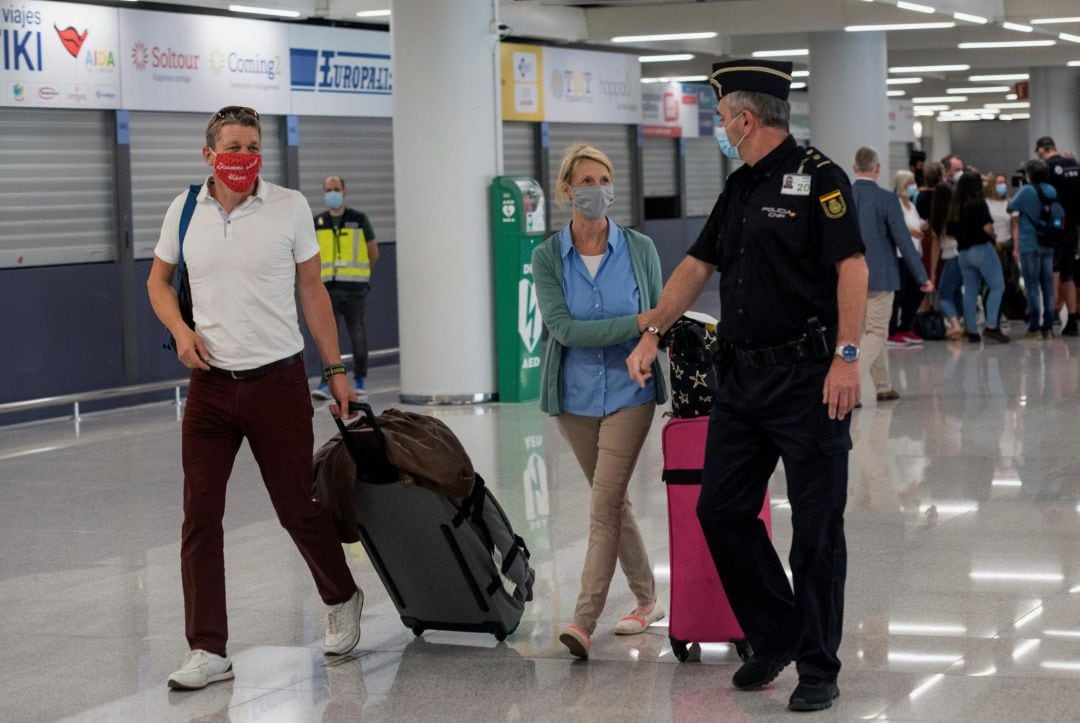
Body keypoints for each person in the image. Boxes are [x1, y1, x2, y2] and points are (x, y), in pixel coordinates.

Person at [627, 59, 867, 713]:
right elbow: (694, 267)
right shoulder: (738, 189)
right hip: (742, 381)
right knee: (720, 509)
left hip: (809, 380)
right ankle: (777, 631)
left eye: (724, 112)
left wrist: (848, 356)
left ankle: (818, 664)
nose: (722, 123)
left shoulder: (821, 179)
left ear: (746, 117)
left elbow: (852, 266)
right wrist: (652, 330)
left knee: (816, 528)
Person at [146, 106, 363, 691]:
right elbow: (157, 282)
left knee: (296, 505)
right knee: (200, 517)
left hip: (278, 382)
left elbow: (312, 290)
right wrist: (182, 333)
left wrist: (336, 369)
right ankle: (207, 648)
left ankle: (342, 595)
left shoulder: (289, 206)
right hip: (211, 389)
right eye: (232, 146)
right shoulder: (185, 208)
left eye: (252, 145)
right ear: (208, 154)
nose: (243, 155)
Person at [531, 143, 669, 661]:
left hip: (632, 392)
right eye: (586, 181)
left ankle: (583, 620)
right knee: (613, 501)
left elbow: (659, 318)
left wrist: (646, 328)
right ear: (567, 189)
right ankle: (648, 599)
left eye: (604, 178)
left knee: (603, 504)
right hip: (574, 397)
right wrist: (635, 323)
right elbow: (563, 330)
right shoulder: (547, 256)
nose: (597, 189)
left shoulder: (639, 249)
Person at [852, 150, 932, 402]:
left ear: (855, 168)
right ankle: (850, 385)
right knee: (876, 333)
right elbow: (904, 242)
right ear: (877, 168)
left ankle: (883, 385)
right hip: (881, 275)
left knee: (864, 332)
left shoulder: (842, 197)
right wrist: (922, 277)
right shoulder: (887, 200)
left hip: (849, 276)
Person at [312, 176, 379, 398]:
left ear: (344, 191)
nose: (332, 193)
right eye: (328, 190)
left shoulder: (358, 219)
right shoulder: (318, 222)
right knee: (327, 339)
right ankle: (326, 383)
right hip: (327, 289)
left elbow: (373, 253)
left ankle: (360, 378)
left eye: (336, 189)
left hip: (354, 290)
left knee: (357, 335)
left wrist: (362, 276)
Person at [946, 171, 1009, 344]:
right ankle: (991, 327)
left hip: (964, 254)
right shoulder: (979, 203)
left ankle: (972, 331)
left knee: (970, 293)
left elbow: (950, 233)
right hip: (982, 249)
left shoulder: (955, 206)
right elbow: (988, 227)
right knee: (997, 286)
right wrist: (995, 238)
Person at [1034, 136, 1080, 335]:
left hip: (1052, 229)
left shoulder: (1045, 168)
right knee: (1068, 275)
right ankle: (1071, 320)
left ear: (1041, 150)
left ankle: (1051, 318)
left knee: (1052, 274)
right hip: (1072, 228)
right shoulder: (1074, 166)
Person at [1010, 160, 1059, 339]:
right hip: (1048, 242)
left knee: (1032, 285)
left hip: (1029, 243)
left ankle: (1034, 327)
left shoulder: (1027, 190)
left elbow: (1012, 207)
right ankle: (1048, 326)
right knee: (1047, 285)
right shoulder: (1051, 190)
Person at [887, 170, 932, 347]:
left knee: (917, 291)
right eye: (910, 182)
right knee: (899, 295)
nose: (914, 186)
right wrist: (909, 231)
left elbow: (917, 224)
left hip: (914, 255)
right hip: (899, 256)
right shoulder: (894, 204)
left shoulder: (911, 205)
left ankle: (906, 326)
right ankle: (892, 332)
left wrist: (924, 226)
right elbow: (894, 228)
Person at [928, 165, 965, 339]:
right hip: (964, 254)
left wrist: (934, 273)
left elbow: (936, 246)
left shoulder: (937, 219)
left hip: (951, 256)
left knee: (944, 294)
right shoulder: (957, 213)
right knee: (956, 291)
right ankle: (964, 322)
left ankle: (955, 325)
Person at [986, 171, 1025, 327]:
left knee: (1010, 281)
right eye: (998, 183)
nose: (1001, 186)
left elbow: (1015, 226)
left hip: (1007, 246)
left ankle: (1008, 311)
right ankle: (994, 314)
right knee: (993, 283)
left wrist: (1016, 248)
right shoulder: (986, 203)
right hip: (991, 246)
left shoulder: (1010, 203)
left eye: (1003, 183)